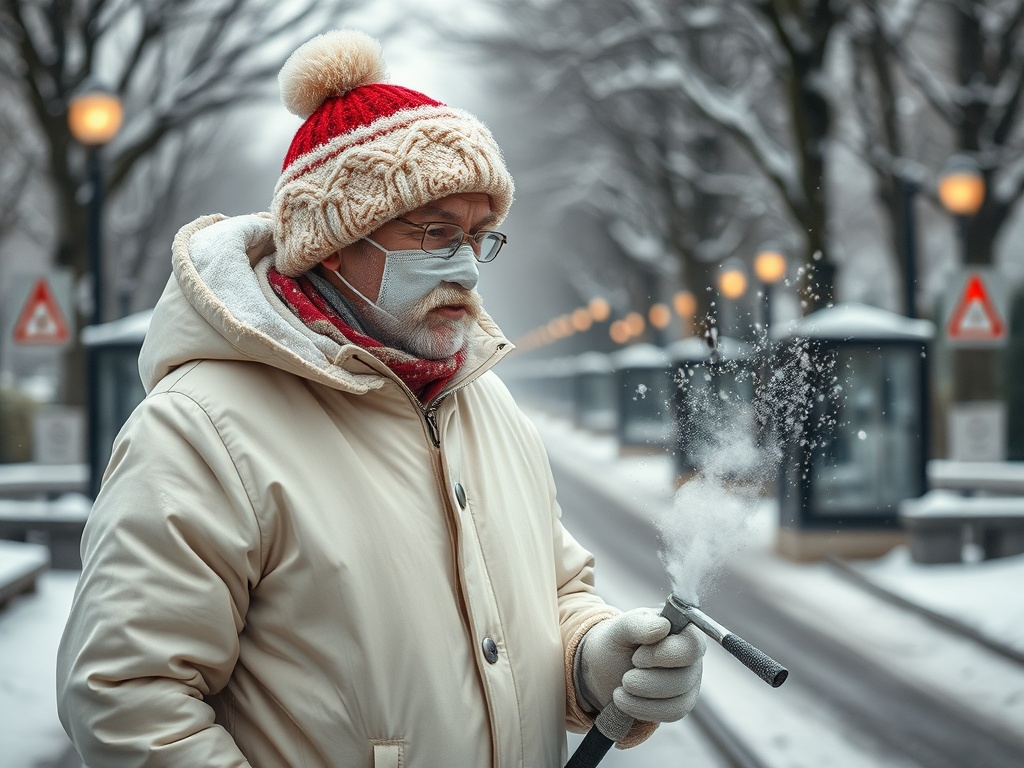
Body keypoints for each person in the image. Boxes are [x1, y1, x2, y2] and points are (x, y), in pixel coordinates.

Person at [56, 29, 705, 768]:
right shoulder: (201, 429)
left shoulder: (488, 406)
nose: (467, 267)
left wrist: (593, 661)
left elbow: (551, 594)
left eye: (480, 236)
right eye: (434, 233)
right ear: (333, 242)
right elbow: (125, 697)